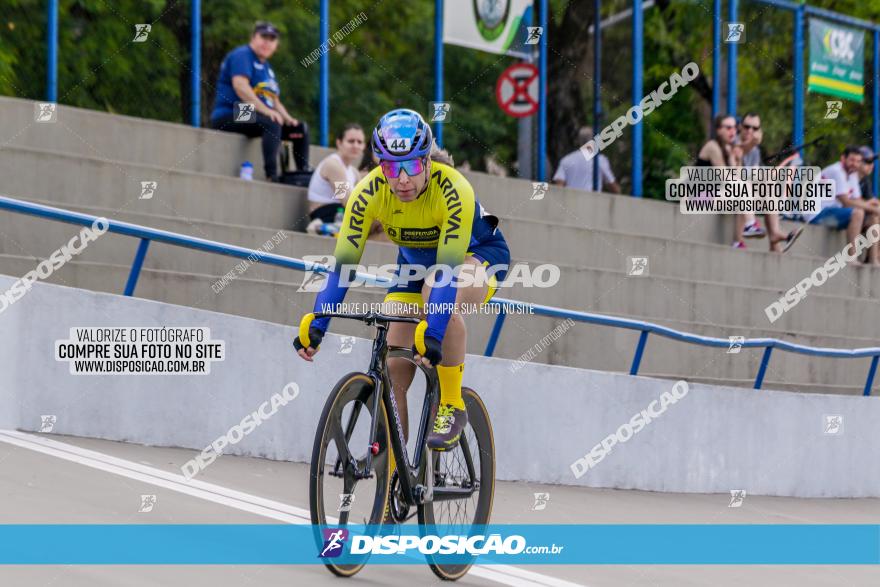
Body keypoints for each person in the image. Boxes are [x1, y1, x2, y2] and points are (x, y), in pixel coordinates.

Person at [294, 109, 510, 459]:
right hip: (413, 265)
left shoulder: (454, 189)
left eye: (411, 166)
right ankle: (395, 475)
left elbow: (446, 274)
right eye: (392, 168)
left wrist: (434, 334)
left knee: (435, 296)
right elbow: (343, 265)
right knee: (394, 371)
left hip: (477, 255)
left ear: (427, 161)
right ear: (380, 165)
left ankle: (453, 403)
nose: (403, 179)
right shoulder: (368, 193)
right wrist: (318, 322)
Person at [210, 22, 309, 181]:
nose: (267, 42)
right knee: (271, 121)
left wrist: (288, 119)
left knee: (299, 128)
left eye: (272, 39)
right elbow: (240, 86)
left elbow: (274, 100)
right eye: (263, 37)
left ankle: (302, 174)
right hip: (231, 113)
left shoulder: (267, 68)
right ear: (253, 38)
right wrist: (267, 111)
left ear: (276, 45)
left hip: (253, 115)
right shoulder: (243, 55)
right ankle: (272, 175)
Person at [732, 113, 802, 252]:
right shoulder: (733, 142)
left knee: (768, 185)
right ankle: (766, 236)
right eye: (747, 127)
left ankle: (774, 236)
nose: (750, 131)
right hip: (722, 191)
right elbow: (735, 176)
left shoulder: (755, 151)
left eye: (755, 128)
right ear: (740, 127)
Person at [804, 146, 880, 265]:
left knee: (873, 217)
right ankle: (852, 257)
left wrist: (873, 208)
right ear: (843, 158)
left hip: (833, 213)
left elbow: (857, 200)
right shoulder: (836, 170)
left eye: (858, 161)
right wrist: (873, 208)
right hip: (816, 215)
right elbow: (846, 202)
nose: (854, 164)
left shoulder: (852, 174)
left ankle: (874, 260)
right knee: (858, 212)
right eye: (852, 160)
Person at [305, 124, 364, 234]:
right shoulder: (333, 165)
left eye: (359, 142)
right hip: (328, 214)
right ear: (339, 143)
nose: (356, 145)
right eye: (351, 141)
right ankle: (323, 228)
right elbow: (348, 201)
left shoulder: (354, 172)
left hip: (341, 214)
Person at [553, 127, 621, 193]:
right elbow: (614, 188)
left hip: (570, 202)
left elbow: (559, 186)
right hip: (592, 202)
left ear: (579, 140)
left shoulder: (566, 160)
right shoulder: (600, 160)